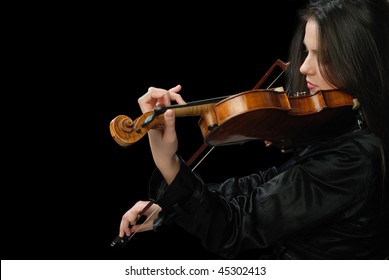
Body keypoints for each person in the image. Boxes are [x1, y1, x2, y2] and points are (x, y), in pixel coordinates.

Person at [116, 0, 389, 259]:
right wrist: (170, 209)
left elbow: (233, 230)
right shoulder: (345, 123)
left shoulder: (355, 158)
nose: (304, 67)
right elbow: (264, 185)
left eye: (324, 57)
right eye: (308, 51)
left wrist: (169, 163)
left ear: (360, 61)